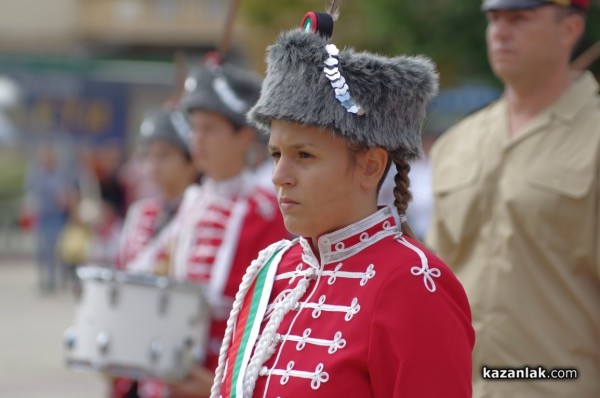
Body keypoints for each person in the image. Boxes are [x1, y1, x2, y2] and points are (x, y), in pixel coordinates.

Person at [210, 10, 474, 398]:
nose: (279, 175)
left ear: (369, 166)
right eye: (275, 154)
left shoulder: (414, 284)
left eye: (304, 156)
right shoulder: (270, 269)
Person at [426, 1, 600, 397]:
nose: (500, 31)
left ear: (569, 29)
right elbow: (436, 282)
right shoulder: (456, 144)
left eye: (519, 18)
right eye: (494, 19)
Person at [127, 56, 289, 398]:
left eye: (210, 129)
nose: (197, 140)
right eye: (195, 128)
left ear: (245, 137)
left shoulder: (268, 211)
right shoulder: (191, 202)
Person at [111, 106, 200, 398]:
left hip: (179, 364)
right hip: (132, 359)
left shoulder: (205, 215)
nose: (153, 165)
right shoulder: (141, 214)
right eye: (148, 155)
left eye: (164, 155)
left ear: (192, 161)